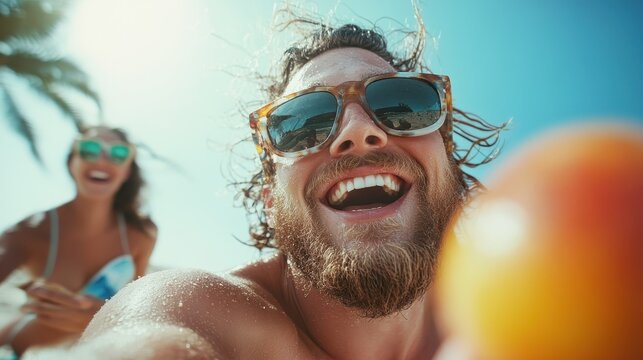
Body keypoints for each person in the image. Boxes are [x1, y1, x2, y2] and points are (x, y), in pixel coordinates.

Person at [39, 17, 505, 359]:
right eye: (302, 123)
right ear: (270, 199)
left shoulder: (522, 317)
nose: (358, 130)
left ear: (450, 163)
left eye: (403, 104)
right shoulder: (208, 311)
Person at [0, 126, 157, 357]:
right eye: (89, 149)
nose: (102, 160)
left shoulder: (139, 235)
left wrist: (104, 316)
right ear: (72, 163)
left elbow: (137, 310)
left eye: (119, 153)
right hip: (18, 350)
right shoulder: (32, 230)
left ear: (126, 172)